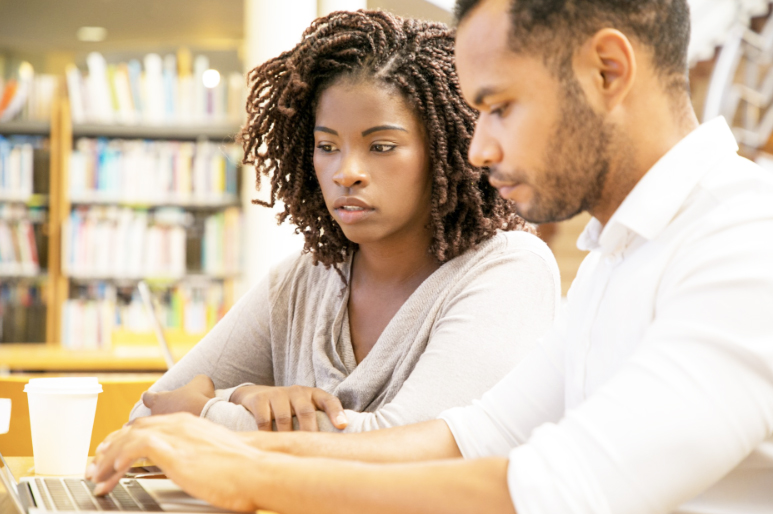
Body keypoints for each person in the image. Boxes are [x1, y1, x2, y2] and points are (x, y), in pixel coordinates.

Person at [88, 0, 773, 512]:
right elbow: (470, 435)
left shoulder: (749, 239)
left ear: (607, 70)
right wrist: (239, 446)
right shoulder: (616, 256)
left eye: (500, 107)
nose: (477, 150)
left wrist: (245, 469)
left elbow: (560, 485)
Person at [127, 9, 560, 434]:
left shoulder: (510, 270)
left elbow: (399, 449)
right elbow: (148, 414)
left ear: (447, 152)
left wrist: (207, 413)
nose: (345, 171)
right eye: (327, 145)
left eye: (382, 146)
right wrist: (245, 395)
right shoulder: (303, 281)